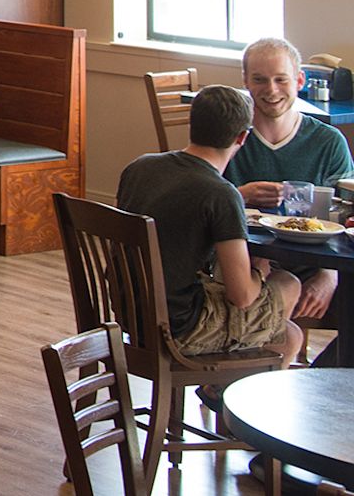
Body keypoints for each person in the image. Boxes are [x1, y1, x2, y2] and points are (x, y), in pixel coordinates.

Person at [116, 85, 303, 368]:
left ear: (194, 124)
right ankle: (227, 394)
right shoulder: (220, 194)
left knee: (283, 331)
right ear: (243, 137)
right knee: (289, 299)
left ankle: (223, 383)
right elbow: (241, 296)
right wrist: (258, 270)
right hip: (178, 329)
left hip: (130, 315)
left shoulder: (139, 168)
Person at [222, 37, 351, 325]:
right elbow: (203, 203)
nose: (271, 90)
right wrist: (240, 195)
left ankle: (323, 372)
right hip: (244, 264)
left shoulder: (328, 142)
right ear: (245, 81)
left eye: (281, 79)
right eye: (260, 80)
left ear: (300, 80)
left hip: (318, 264)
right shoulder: (229, 139)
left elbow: (347, 217)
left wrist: (330, 275)